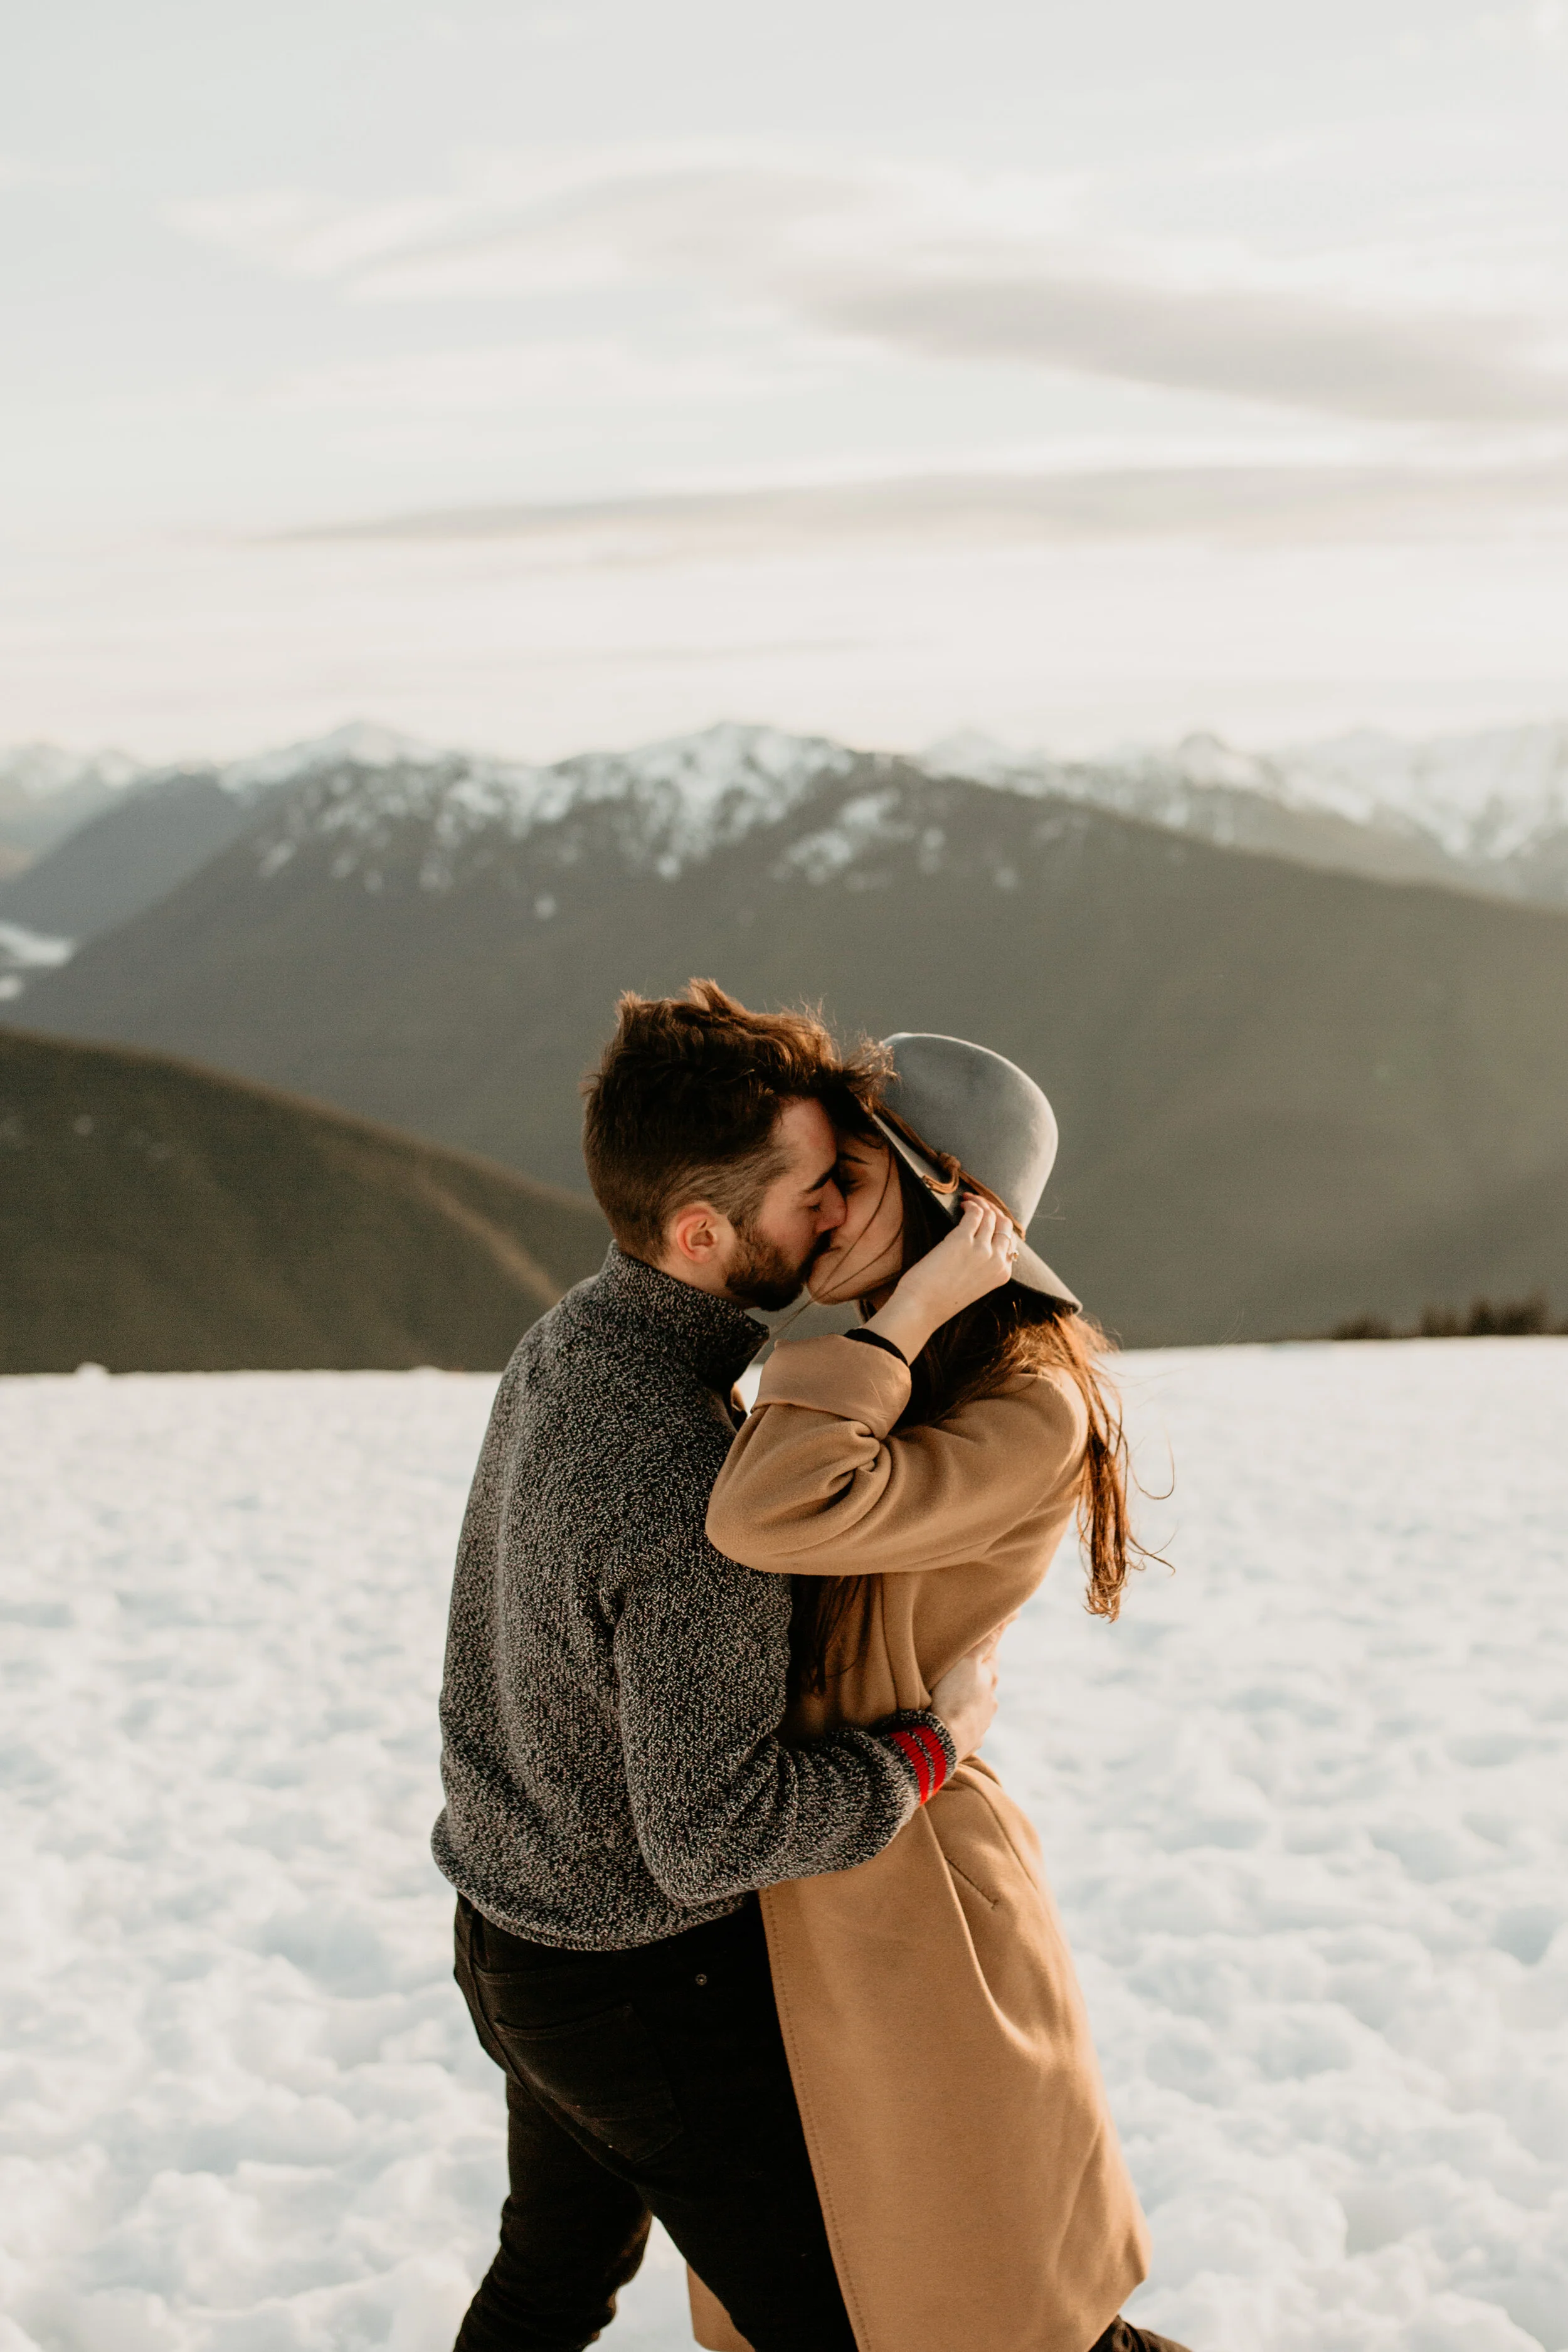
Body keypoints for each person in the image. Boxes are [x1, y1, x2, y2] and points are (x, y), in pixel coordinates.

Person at [432, 984, 1001, 2352]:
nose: (834, 1214)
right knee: (851, 2322)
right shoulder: (691, 1480)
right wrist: (926, 1750)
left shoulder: (573, 1336)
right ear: (701, 1232)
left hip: (512, 1937)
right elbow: (707, 1835)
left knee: (553, 2281)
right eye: (812, 1190)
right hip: (635, 1989)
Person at [694, 1031, 1191, 2352]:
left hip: (910, 1891)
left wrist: (904, 1316)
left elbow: (768, 1515)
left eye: (851, 1178)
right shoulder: (884, 1367)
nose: (820, 1215)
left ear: (956, 1211)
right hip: (795, 1853)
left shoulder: (1028, 1401)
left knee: (981, 2295)